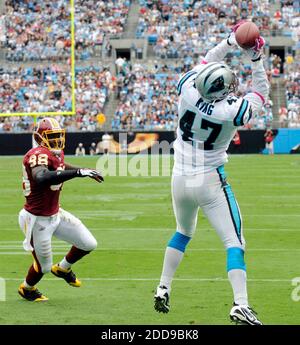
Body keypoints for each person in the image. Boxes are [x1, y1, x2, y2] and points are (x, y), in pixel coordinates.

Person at [154, 23, 269, 325]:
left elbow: (206, 58)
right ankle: (240, 304)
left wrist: (230, 40)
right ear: (222, 91)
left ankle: (163, 286)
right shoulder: (230, 111)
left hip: (179, 177)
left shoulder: (189, 90)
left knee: (182, 232)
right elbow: (261, 92)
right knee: (235, 242)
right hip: (209, 181)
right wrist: (256, 57)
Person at [18, 118, 104, 301]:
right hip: (36, 219)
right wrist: (78, 173)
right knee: (44, 267)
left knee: (89, 243)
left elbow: (61, 167)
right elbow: (41, 176)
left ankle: (63, 267)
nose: (56, 140)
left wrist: (83, 170)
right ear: (39, 138)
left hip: (55, 214)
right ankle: (27, 288)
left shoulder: (54, 153)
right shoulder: (37, 154)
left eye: (58, 136)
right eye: (52, 136)